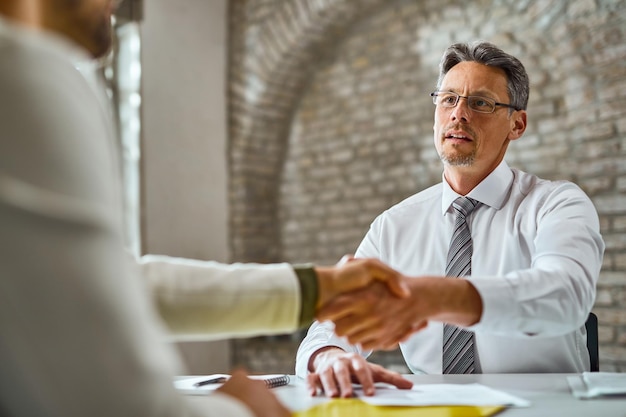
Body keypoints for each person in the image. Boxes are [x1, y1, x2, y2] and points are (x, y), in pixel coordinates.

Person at [0, 1, 416, 416]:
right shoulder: (23, 74)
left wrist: (316, 289)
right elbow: (121, 402)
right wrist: (244, 410)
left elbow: (112, 281)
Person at [296, 40, 605, 398]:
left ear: (517, 124)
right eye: (448, 99)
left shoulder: (557, 203)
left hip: (546, 407)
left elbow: (565, 295)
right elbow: (334, 322)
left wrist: (435, 297)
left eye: (480, 103)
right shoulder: (393, 226)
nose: (459, 114)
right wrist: (328, 356)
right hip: (435, 406)